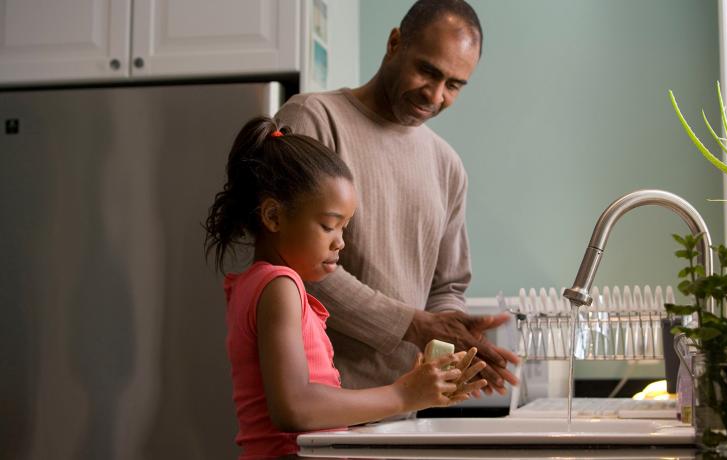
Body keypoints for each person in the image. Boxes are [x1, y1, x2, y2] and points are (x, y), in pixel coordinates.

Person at [275, 0, 519, 396]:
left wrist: (451, 336)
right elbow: (292, 261)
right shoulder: (313, 119)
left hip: (404, 407)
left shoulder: (447, 166)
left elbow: (447, 286)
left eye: (454, 85)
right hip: (319, 402)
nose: (435, 95)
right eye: (428, 71)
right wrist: (414, 325)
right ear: (394, 44)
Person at [204, 117, 487, 459]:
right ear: (274, 217)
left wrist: (415, 389)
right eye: (329, 226)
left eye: (345, 227)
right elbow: (294, 408)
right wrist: (402, 395)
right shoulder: (280, 286)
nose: (340, 243)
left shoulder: (257, 284)